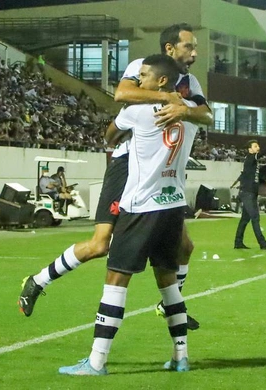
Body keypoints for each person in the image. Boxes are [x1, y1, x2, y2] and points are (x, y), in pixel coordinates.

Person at [18, 23, 212, 330]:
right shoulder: (141, 67)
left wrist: (181, 108)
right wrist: (165, 98)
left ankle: (170, 304)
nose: (195, 53)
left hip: (161, 171)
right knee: (100, 245)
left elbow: (207, 115)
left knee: (185, 247)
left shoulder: (190, 83)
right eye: (190, 46)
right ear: (170, 49)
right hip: (128, 167)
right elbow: (122, 94)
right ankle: (38, 281)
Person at [58, 54, 198, 376]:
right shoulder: (191, 116)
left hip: (140, 205)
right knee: (168, 282)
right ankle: (181, 357)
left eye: (144, 75)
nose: (139, 80)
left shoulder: (135, 111)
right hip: (173, 204)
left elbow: (109, 136)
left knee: (116, 280)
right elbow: (203, 114)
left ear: (161, 81)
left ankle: (96, 361)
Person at [234, 135, 266, 250]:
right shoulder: (251, 158)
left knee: (245, 219)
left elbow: (253, 176)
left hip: (250, 193)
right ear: (250, 150)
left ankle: (238, 242)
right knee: (255, 217)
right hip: (247, 193)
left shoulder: (252, 162)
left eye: (258, 146)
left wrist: (265, 181)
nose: (258, 148)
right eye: (255, 146)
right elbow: (262, 153)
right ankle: (262, 243)